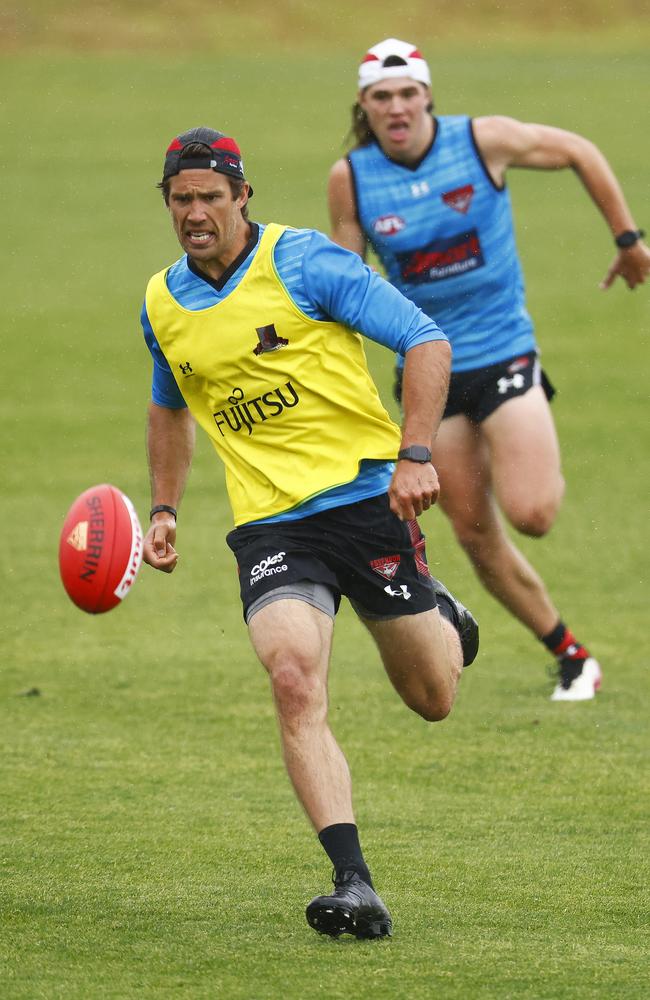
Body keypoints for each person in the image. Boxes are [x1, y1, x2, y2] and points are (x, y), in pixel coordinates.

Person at [140, 126, 479, 939]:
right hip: (271, 525)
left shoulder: (307, 264)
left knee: (432, 698)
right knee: (293, 676)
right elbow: (168, 405)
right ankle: (354, 883)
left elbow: (426, 339)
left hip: (367, 501)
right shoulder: (162, 301)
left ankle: (438, 611)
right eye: (180, 199)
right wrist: (163, 510)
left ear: (241, 197)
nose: (194, 213)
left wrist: (416, 453)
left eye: (209, 197)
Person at [328, 38, 650, 702]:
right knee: (473, 532)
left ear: (428, 96)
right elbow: (348, 281)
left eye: (407, 93)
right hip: (428, 372)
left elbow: (579, 151)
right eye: (381, 97)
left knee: (532, 513)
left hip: (504, 350)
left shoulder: (482, 142)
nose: (396, 107)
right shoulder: (353, 178)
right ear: (364, 105)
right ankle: (570, 654)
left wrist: (628, 238)